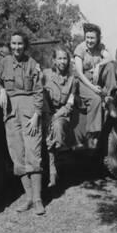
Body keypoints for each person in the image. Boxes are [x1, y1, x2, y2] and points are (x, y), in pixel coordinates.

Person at [0, 30, 45, 215]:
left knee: (33, 153)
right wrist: (1, 90)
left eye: (20, 44)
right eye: (13, 44)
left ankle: (38, 199)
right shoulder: (4, 63)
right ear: (10, 45)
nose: (16, 47)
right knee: (18, 155)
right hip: (10, 111)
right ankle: (29, 198)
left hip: (29, 110)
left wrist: (37, 114)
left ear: (25, 45)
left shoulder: (32, 64)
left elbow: (39, 90)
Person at [73, 22, 117, 146]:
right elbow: (79, 73)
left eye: (92, 38)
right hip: (83, 82)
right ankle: (93, 134)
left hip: (97, 78)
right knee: (96, 99)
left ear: (97, 38)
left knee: (110, 66)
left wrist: (99, 65)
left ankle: (110, 99)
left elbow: (111, 58)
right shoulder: (80, 49)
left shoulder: (100, 47)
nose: (90, 41)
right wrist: (92, 87)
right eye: (88, 37)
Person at [42, 46, 76, 188]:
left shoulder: (73, 80)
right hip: (45, 112)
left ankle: (52, 171)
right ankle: (49, 172)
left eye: (65, 58)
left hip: (61, 114)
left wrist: (56, 115)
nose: (62, 61)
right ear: (54, 60)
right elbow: (39, 94)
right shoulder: (45, 74)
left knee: (56, 128)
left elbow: (69, 104)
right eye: (59, 58)